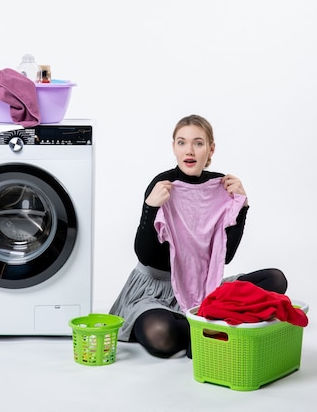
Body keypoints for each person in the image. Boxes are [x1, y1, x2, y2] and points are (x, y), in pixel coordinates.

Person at [109, 114, 287, 359]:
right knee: (161, 333)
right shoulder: (163, 184)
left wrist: (242, 206)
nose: (189, 150)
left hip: (204, 287)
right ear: (174, 147)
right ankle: (215, 330)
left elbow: (225, 257)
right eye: (182, 142)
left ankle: (205, 328)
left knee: (275, 280)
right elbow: (146, 255)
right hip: (155, 291)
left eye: (198, 143)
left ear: (210, 148)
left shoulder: (220, 185)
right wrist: (151, 208)